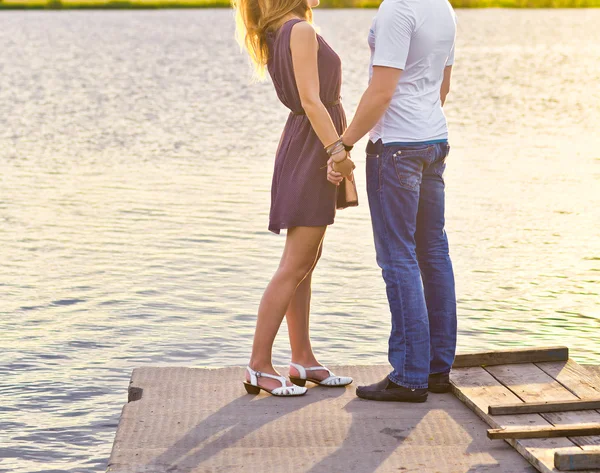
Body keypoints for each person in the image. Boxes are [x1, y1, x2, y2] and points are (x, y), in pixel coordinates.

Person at [328, 0, 458, 402]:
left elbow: (381, 91)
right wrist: (420, 123)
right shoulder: (444, 7)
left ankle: (409, 376)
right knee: (433, 252)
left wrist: (342, 144)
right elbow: (443, 87)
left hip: (397, 147)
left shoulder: (396, 9)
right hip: (433, 140)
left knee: (398, 257)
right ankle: (436, 370)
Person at [233, 0, 356, 396]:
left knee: (306, 261)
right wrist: (337, 150)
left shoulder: (282, 29)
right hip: (312, 149)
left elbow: (315, 101)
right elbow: (311, 100)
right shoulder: (298, 30)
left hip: (307, 143)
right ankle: (258, 367)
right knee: (294, 264)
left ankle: (302, 358)